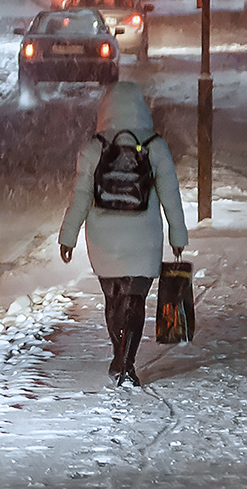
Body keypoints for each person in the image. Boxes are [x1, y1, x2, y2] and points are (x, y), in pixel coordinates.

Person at [59, 82, 188, 387]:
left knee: (114, 300)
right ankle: (126, 363)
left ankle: (119, 355)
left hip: (104, 238)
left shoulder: (94, 148)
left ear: (105, 111)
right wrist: (177, 237)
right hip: (143, 238)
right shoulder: (155, 146)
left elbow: (79, 197)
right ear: (142, 109)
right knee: (135, 300)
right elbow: (171, 195)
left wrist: (68, 237)